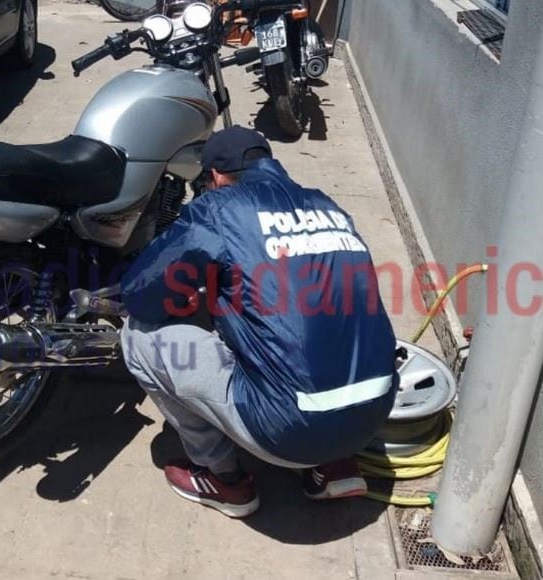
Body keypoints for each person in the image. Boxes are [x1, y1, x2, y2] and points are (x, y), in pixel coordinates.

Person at [120, 126, 397, 518]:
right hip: (372, 416)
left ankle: (224, 482)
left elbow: (141, 295)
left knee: (138, 337)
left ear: (216, 177)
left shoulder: (219, 210)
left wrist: (190, 293)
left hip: (288, 431)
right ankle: (333, 468)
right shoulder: (328, 206)